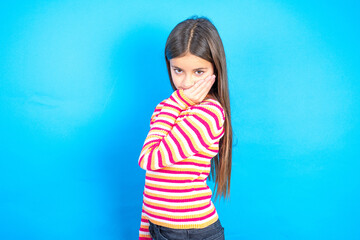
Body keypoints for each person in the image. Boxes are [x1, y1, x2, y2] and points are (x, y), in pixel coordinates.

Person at [137, 15, 233, 240]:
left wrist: (178, 102)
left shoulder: (209, 113)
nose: (187, 82)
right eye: (178, 70)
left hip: (192, 232)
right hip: (160, 229)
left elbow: (149, 159)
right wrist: (145, 232)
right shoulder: (166, 108)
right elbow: (153, 181)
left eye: (198, 72)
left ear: (214, 70)